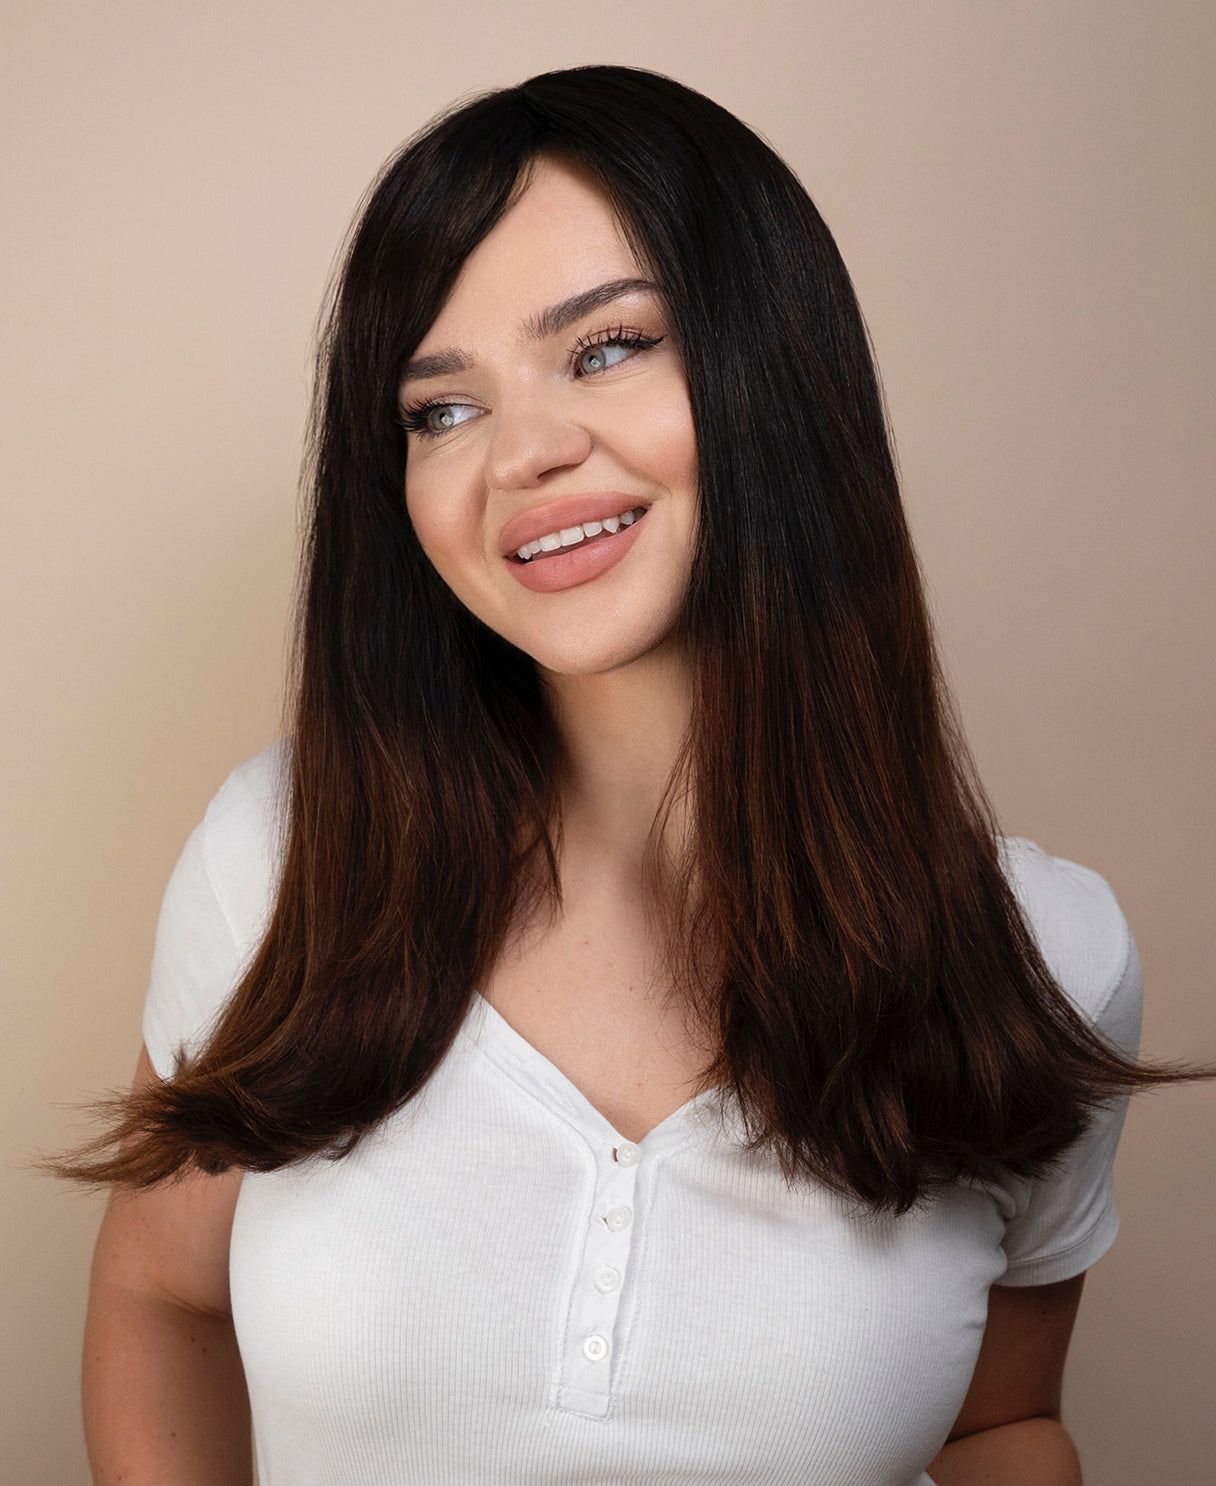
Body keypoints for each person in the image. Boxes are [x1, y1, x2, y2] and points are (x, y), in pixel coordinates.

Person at [58, 64, 1212, 1486]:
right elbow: (162, 1298)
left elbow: (1003, 1424)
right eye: (439, 410)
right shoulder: (284, 856)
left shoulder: (1047, 955)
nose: (523, 454)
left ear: (769, 366)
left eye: (604, 348)